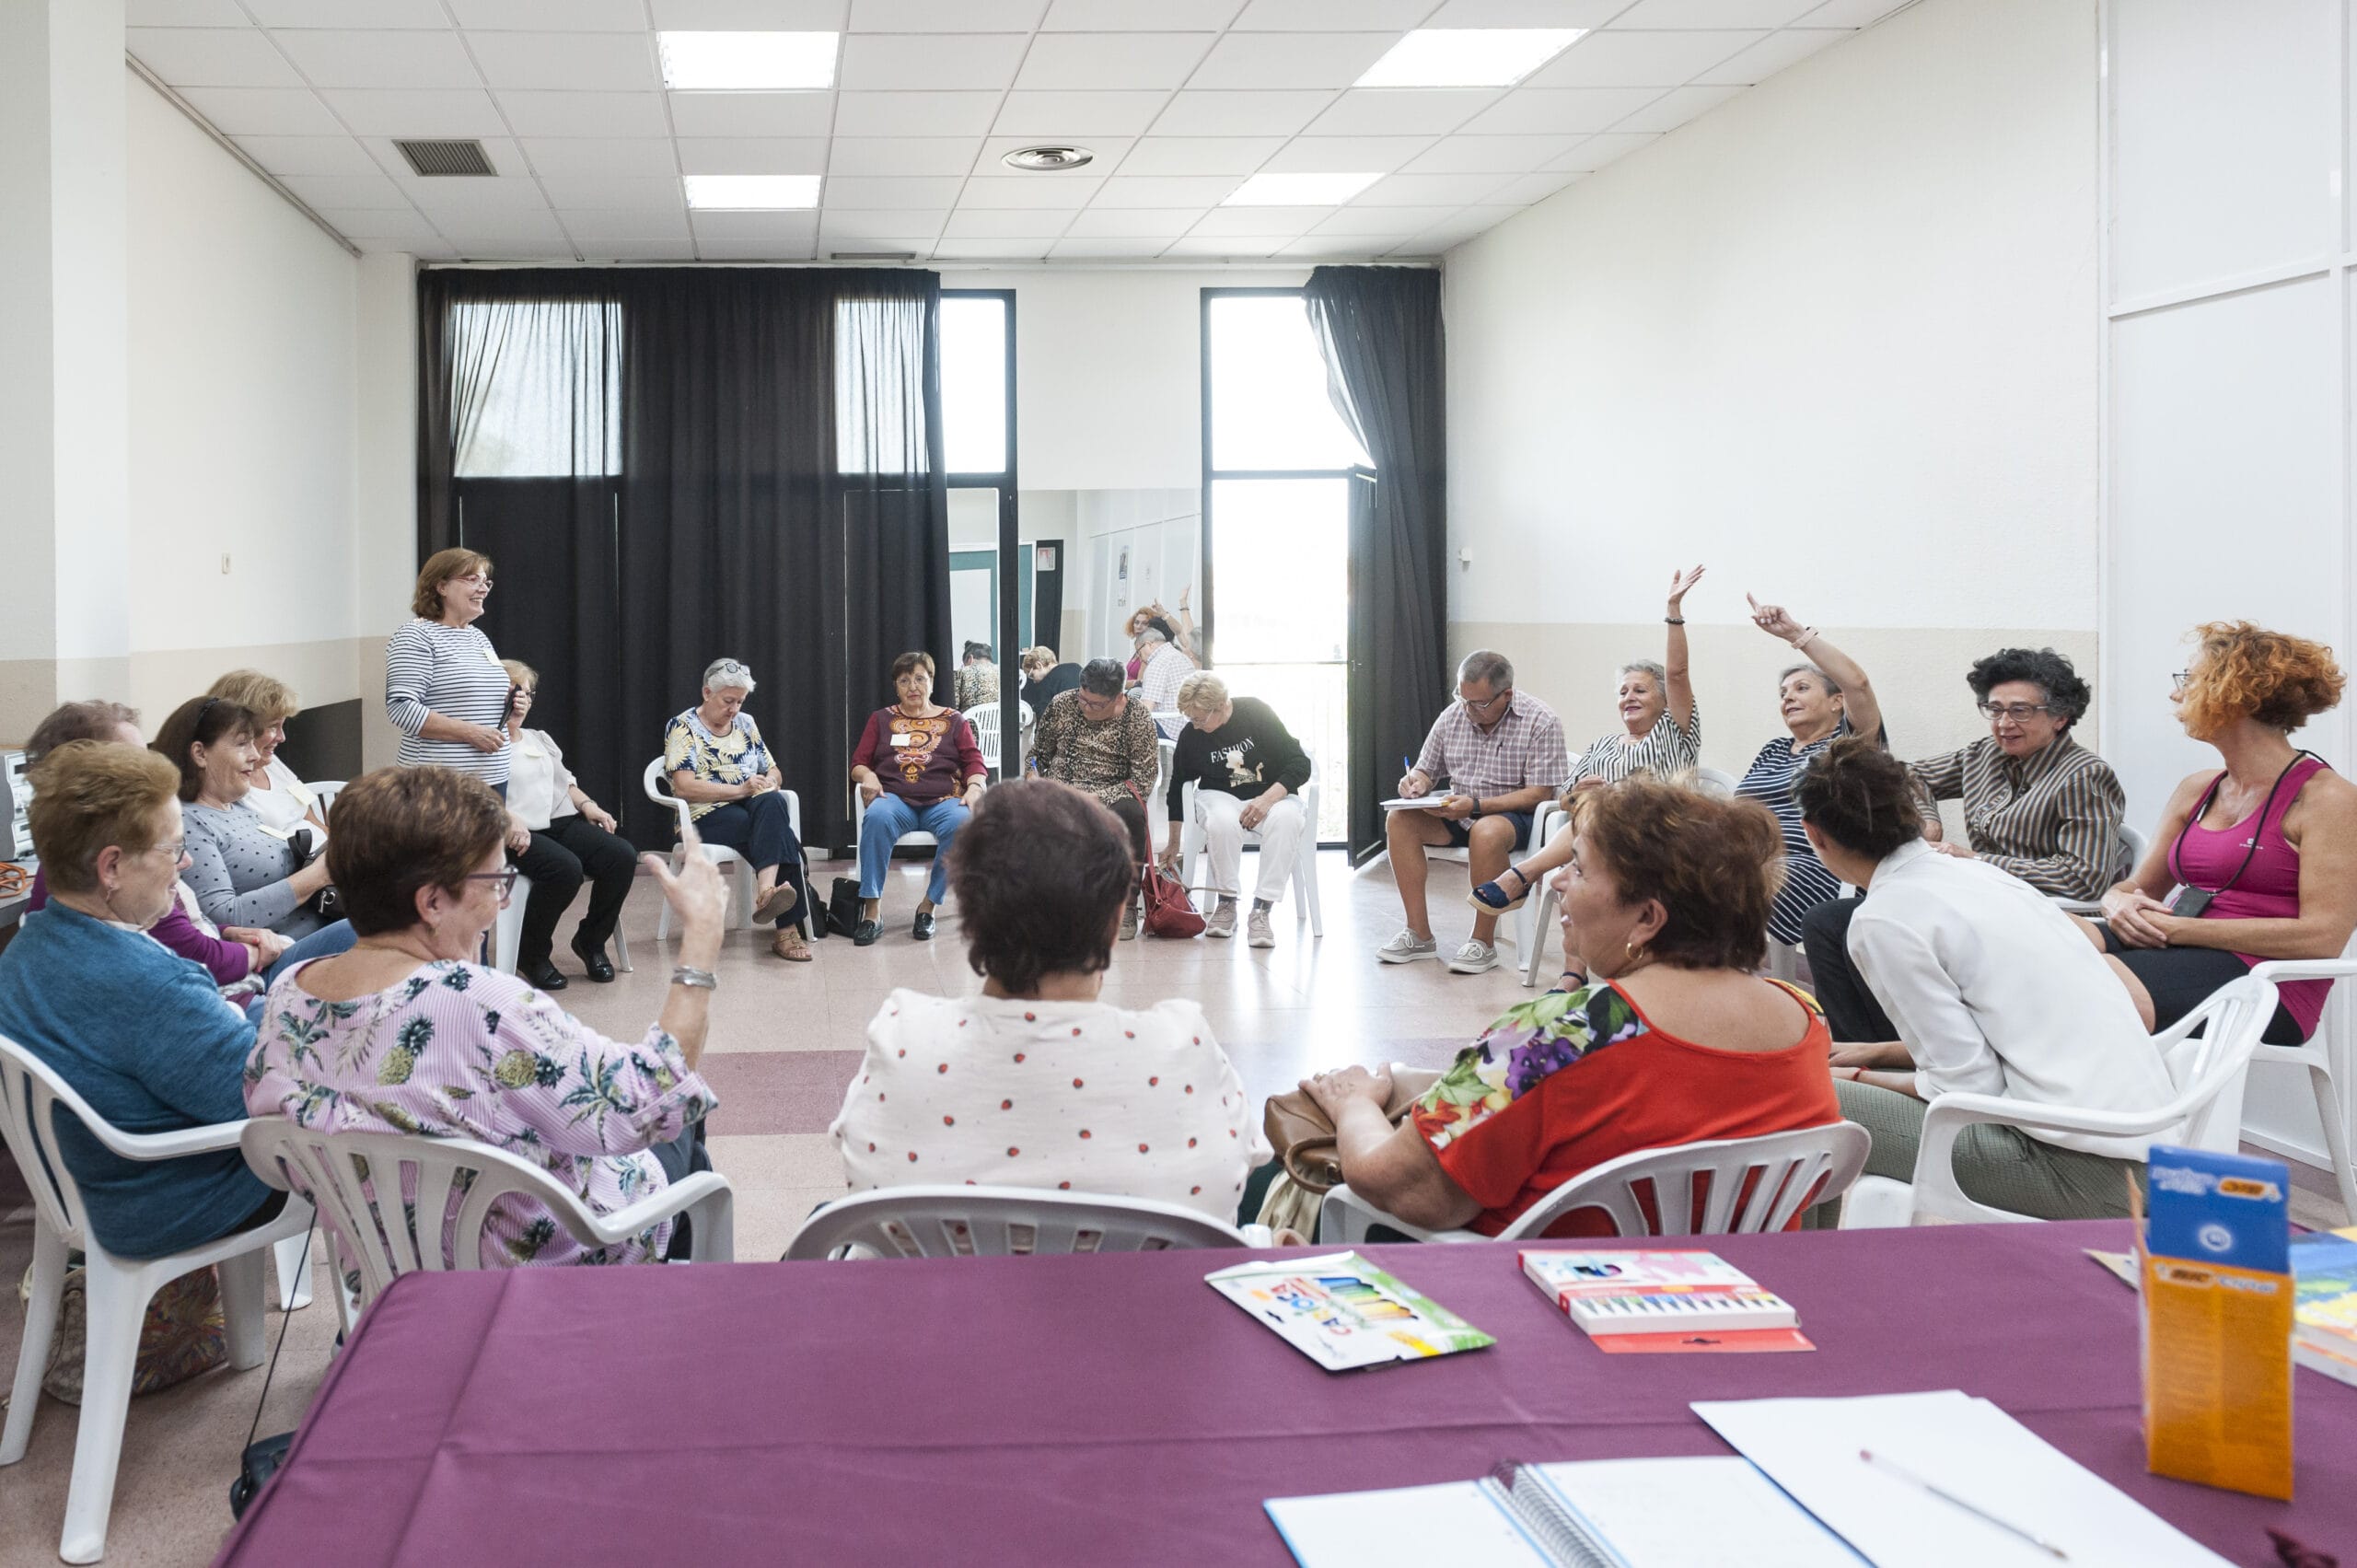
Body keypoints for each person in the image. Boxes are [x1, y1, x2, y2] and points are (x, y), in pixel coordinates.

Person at [1298, 778, 1840, 1238]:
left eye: (1578, 869)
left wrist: (1354, 1105)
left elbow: (1408, 1190)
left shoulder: (1559, 1034)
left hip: (1544, 1300)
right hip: (1728, 1295)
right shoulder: (1803, 1018)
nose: (1556, 880)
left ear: (1647, 918)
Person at [244, 765, 723, 1269]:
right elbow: (647, 1098)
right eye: (495, 882)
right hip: (551, 1276)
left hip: (395, 1283)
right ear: (432, 902)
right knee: (684, 1124)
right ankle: (679, 1304)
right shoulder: (480, 1005)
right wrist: (701, 943)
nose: (503, 900)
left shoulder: (288, 996)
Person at [831, 780, 1260, 1224]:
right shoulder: (1184, 1047)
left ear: (969, 916)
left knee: (825, 1214)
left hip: (939, 1264)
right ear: (1117, 917)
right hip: (1146, 1263)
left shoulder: (901, 1041)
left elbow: (859, 1172)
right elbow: (1238, 1165)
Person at [1796, 739, 2177, 1219]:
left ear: (1814, 834)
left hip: (2082, 1175)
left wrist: (1857, 1077)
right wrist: (1877, 1053)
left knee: (1795, 1092)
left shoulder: (1885, 918)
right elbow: (2007, 1033)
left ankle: (1788, 1263)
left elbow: (1965, 1089)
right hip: (2152, 1155)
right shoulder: (1983, 876)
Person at [0, 742, 285, 1258]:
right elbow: (256, 1098)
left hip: (90, 1185)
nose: (186, 862)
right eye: (172, 848)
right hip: (171, 1197)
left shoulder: (27, 948)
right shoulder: (152, 983)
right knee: (365, 1141)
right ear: (111, 867)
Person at [1804, 646, 2124, 1039]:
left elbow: (2083, 878)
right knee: (1829, 921)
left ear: (2060, 716)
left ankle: (1901, 1045)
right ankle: (1857, 1047)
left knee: (1884, 926)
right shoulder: (1985, 755)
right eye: (1995, 709)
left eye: (2021, 711)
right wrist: (1930, 822)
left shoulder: (2084, 776)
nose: (2004, 723)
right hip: (1975, 902)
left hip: (2035, 916)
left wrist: (1976, 859)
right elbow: (1908, 775)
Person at [2089, 622, 2354, 1046]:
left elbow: (2322, 938)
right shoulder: (2198, 787)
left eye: (2189, 680)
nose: (2176, 694)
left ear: (2234, 692)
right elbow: (2141, 888)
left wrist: (2178, 930)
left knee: (2082, 981)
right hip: (2175, 947)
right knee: (2040, 936)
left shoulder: (2328, 799)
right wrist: (2115, 900)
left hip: (2267, 982)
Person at [1466, 566, 1704, 925]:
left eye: (1640, 690)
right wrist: (1575, 795)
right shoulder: (1603, 744)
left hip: (1661, 838)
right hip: (1601, 842)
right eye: (1623, 692)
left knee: (1601, 821)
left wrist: (1673, 609)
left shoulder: (1675, 731)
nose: (1629, 697)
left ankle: (1524, 874)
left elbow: (1677, 673)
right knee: (1592, 831)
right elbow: (1562, 799)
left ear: (1665, 700)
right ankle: (1571, 935)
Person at [1382, 650, 1568, 975]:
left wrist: (1478, 806)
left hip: (1516, 816)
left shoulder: (1541, 721)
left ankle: (1483, 941)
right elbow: (1427, 769)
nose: (1468, 710)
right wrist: (1416, 781)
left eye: (1479, 704)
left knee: (1486, 831)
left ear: (1506, 695)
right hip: (1460, 811)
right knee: (1399, 820)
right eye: (1462, 698)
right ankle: (1418, 933)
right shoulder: (1454, 715)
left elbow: (1539, 794)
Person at [1731, 597, 1887, 947]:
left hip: (1816, 867)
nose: (1788, 698)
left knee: (1721, 884)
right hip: (1750, 857)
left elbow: (1858, 684)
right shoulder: (1773, 748)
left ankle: (1716, 972)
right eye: (1783, 693)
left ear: (1837, 701)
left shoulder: (1847, 745)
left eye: (1802, 688)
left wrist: (1795, 634)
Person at [663, 656, 811, 962]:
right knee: (779, 834)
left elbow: (773, 769)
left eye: (740, 702)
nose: (734, 709)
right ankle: (786, 930)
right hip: (704, 814)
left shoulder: (746, 723)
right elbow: (684, 786)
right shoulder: (683, 726)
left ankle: (767, 890)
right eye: (728, 701)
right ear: (707, 693)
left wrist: (769, 782)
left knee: (773, 802)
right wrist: (741, 789)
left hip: (750, 806)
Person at [500, 660, 636, 991]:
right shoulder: (484, 742)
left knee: (621, 855)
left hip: (559, 822)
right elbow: (474, 794)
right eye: (512, 693)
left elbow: (566, 785)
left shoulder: (539, 739)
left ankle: (591, 941)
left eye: (526, 694)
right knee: (565, 869)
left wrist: (590, 806)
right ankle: (531, 954)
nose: (520, 702)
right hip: (514, 832)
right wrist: (504, 816)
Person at [1157, 672, 1311, 947]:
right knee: (1221, 821)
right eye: (1190, 718)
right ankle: (1226, 902)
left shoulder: (1255, 713)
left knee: (1287, 819)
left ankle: (1262, 908)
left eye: (1200, 718)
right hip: (1219, 795)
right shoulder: (1192, 735)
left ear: (1221, 706)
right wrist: (1174, 841)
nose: (1195, 725)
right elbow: (1178, 785)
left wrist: (1267, 799)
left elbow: (1300, 763)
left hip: (1271, 795)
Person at [163, 696, 332, 941]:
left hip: (319, 925)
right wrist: (318, 875)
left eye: (253, 743)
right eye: (242, 744)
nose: (254, 755)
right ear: (200, 753)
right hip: (284, 947)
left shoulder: (237, 807)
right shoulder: (189, 822)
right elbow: (222, 917)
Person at [851, 652, 988, 946]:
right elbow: (858, 763)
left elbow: (974, 762)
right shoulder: (881, 719)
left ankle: (928, 907)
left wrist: (975, 787)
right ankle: (872, 911)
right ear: (895, 686)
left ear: (932, 682)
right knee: (876, 817)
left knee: (963, 823)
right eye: (904, 680)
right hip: (895, 799)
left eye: (919, 679)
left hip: (944, 800)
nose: (912, 686)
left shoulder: (954, 720)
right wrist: (868, 775)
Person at [1029, 657, 1160, 940]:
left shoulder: (1137, 717)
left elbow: (1143, 780)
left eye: (1096, 705)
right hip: (1061, 790)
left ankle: (1125, 906)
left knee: (1132, 814)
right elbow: (1038, 754)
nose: (1086, 707)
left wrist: (1095, 798)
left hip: (1112, 794)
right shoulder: (1063, 704)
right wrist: (1032, 774)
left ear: (1119, 698)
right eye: (1083, 699)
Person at [385, 547, 511, 791]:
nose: (483, 589)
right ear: (441, 587)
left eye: (486, 582)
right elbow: (401, 708)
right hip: (438, 782)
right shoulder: (415, 636)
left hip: (493, 777)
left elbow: (477, 701)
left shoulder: (478, 637)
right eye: (473, 579)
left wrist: (513, 705)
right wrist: (471, 733)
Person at [207, 669, 331, 844]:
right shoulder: (226, 786)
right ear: (239, 728)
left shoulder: (271, 763)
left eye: (282, 726)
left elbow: (313, 821)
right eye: (273, 726)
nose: (282, 737)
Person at [1132, 625, 1194, 721]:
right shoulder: (1183, 657)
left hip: (1166, 724)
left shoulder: (1156, 664)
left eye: (1139, 654)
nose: (1141, 659)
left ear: (1148, 645)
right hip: (1188, 722)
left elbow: (1146, 709)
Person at [1020, 646, 1080, 710]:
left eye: (1032, 675)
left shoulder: (1046, 684)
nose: (1034, 681)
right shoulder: (1076, 668)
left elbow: (1044, 714)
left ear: (1039, 665)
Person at [951, 641, 998, 714]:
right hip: (997, 721)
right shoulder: (1001, 672)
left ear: (970, 659)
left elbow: (953, 708)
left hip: (969, 721)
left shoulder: (960, 673)